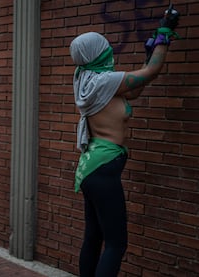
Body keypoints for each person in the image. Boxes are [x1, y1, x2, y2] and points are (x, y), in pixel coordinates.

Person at [70, 6, 180, 277]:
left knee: (94, 237)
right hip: (103, 169)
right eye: (105, 47)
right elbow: (151, 73)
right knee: (117, 244)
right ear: (98, 53)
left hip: (91, 168)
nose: (109, 49)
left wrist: (148, 51)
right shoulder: (105, 81)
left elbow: (135, 89)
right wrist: (165, 33)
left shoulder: (88, 80)